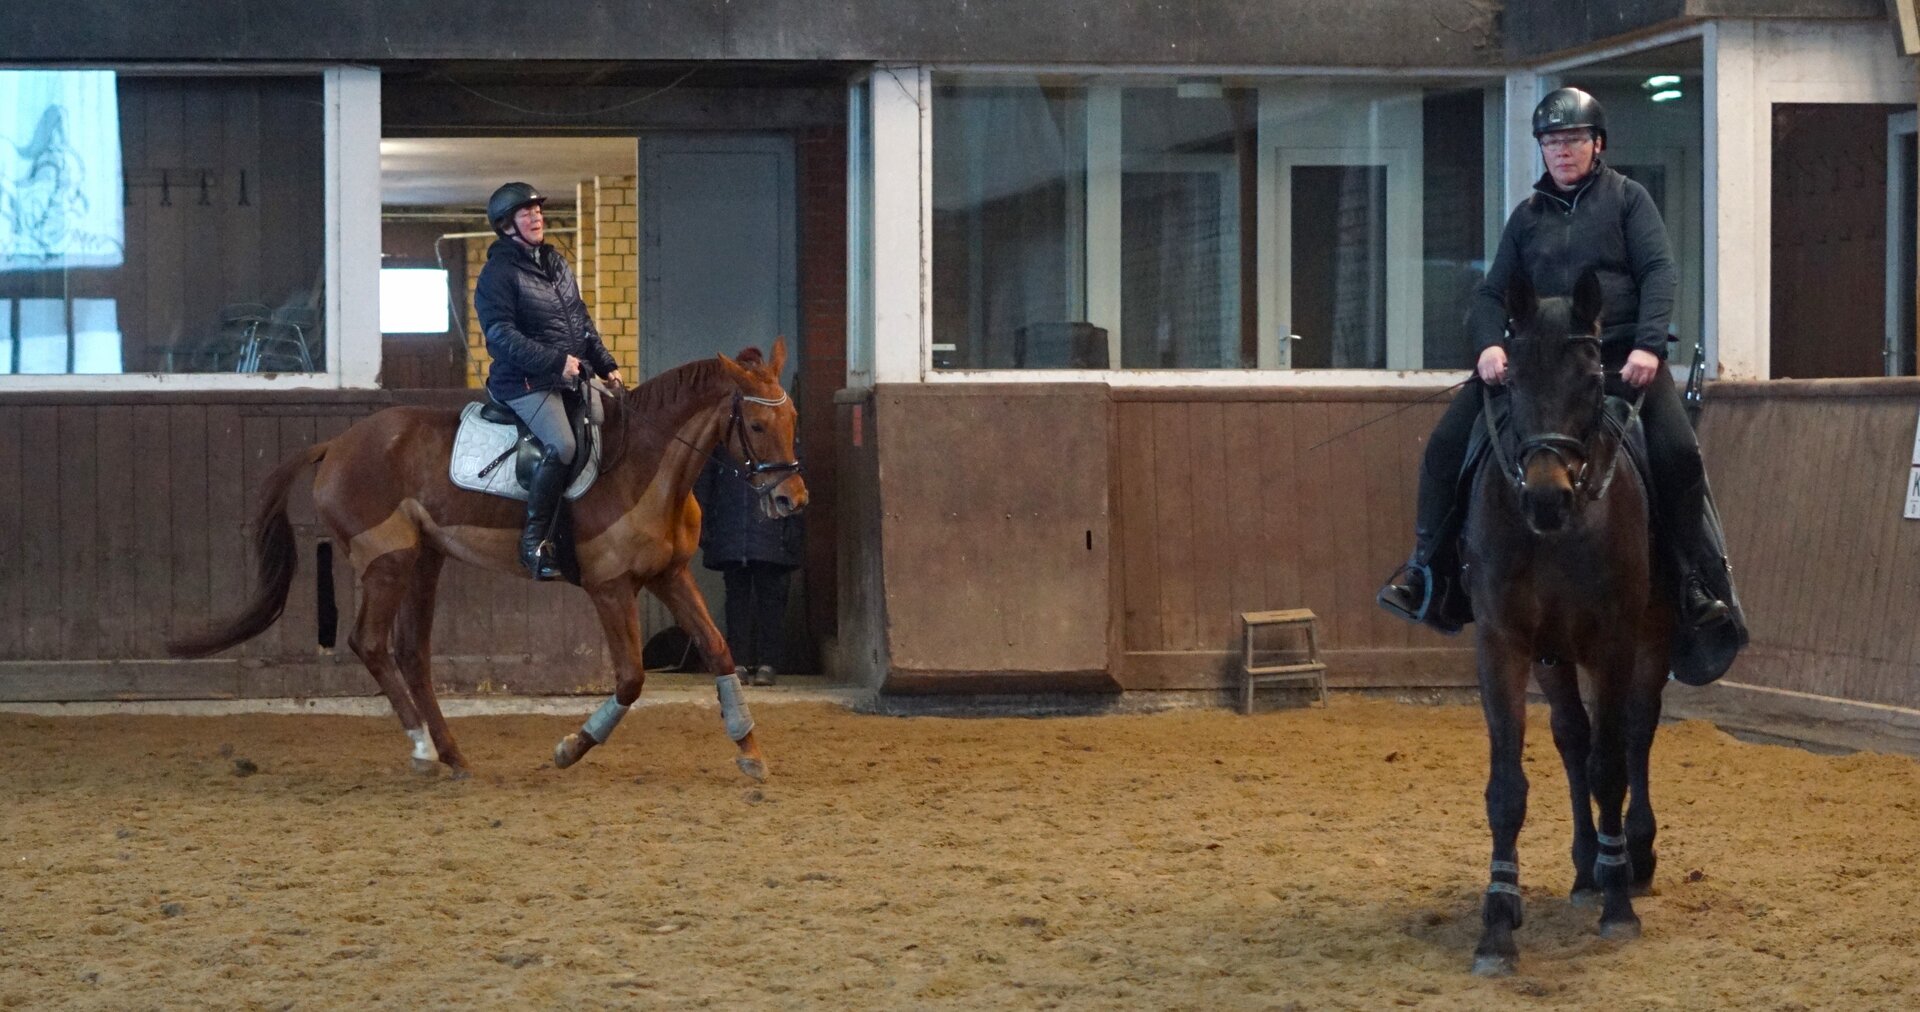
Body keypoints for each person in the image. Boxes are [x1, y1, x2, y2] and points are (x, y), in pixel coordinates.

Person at [1377, 87, 1731, 635]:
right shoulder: (1526, 217)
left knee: (1679, 454)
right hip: (1537, 363)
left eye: (1573, 140)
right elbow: (1491, 292)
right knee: (1446, 445)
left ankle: (1692, 580)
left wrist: (1648, 345)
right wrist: (1490, 345)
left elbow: (1659, 272)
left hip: (1617, 357)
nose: (1562, 151)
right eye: (1551, 142)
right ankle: (1427, 570)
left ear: (1598, 145)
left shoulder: (1629, 200)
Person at [472, 182, 623, 580]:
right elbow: (501, 336)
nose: (537, 216)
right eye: (527, 213)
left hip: (569, 376)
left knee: (610, 424)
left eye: (538, 210)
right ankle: (534, 542)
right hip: (524, 382)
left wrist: (605, 363)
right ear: (507, 225)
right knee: (563, 444)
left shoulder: (556, 264)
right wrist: (556, 363)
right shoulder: (498, 274)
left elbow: (580, 320)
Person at [693, 348, 803, 686]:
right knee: (767, 599)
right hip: (765, 532)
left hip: (735, 534)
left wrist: (706, 526)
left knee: (740, 600)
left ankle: (742, 661)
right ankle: (764, 663)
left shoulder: (731, 431)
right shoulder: (771, 427)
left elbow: (705, 484)